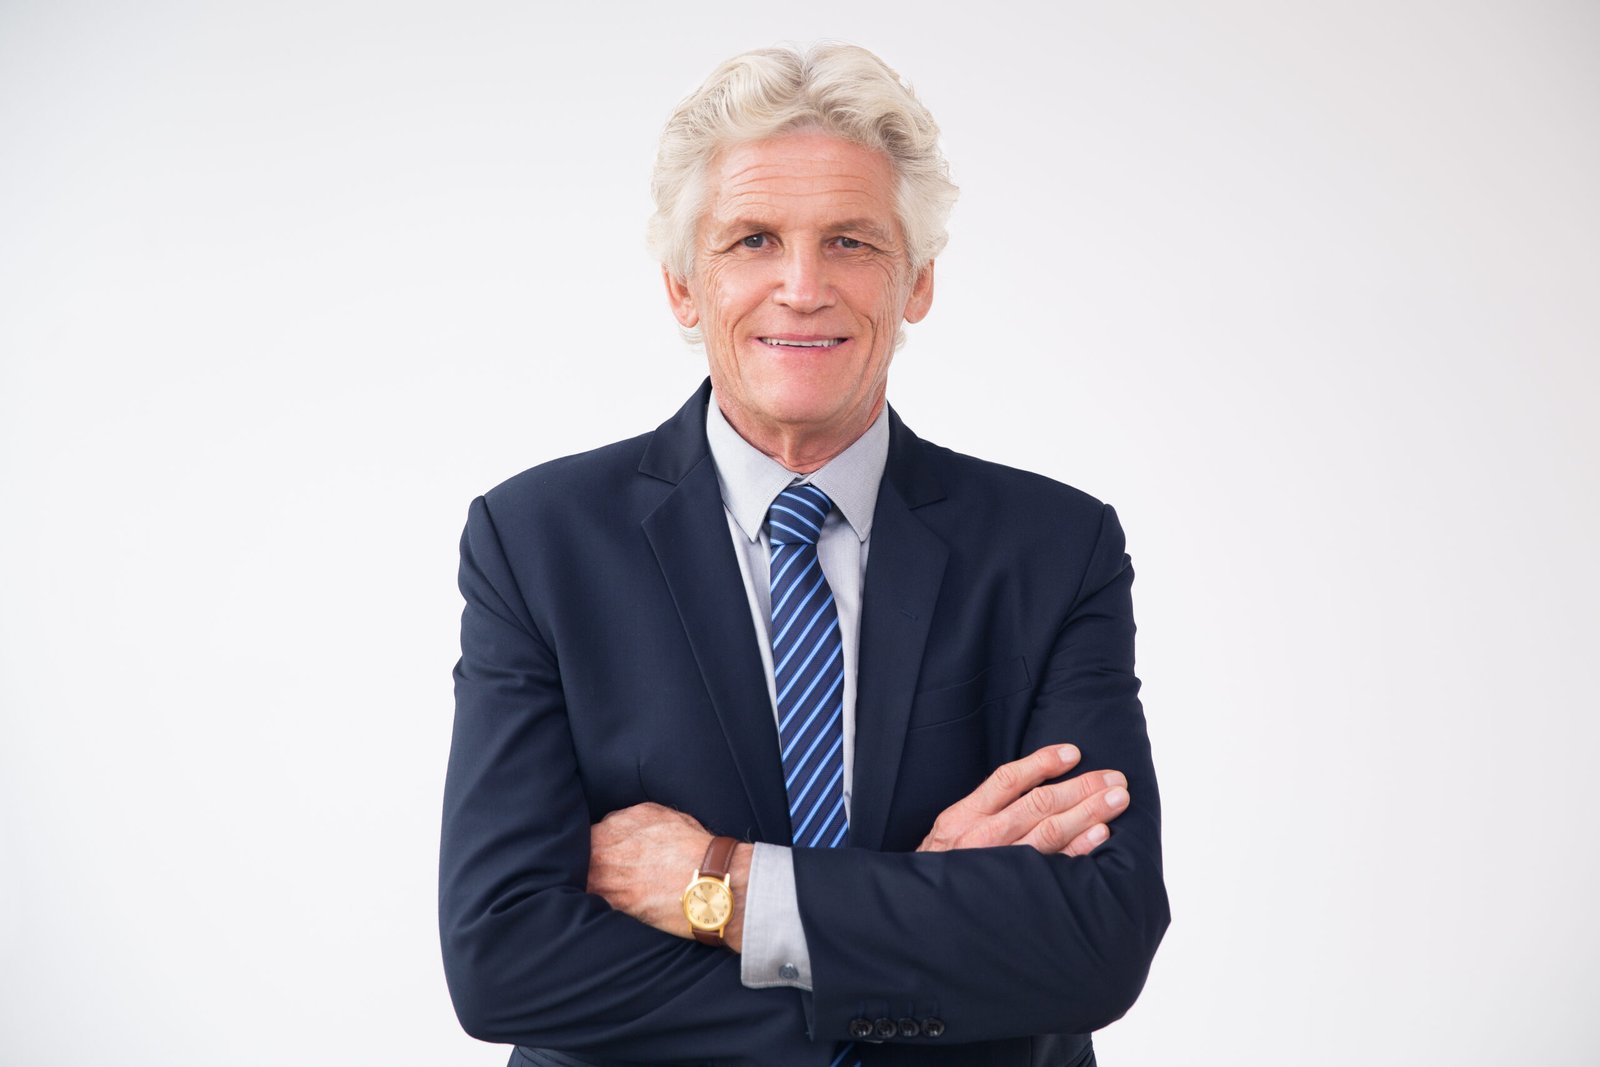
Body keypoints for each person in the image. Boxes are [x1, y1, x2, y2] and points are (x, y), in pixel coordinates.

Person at [440, 42, 1168, 1067]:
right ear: (684, 287)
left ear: (915, 283)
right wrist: (922, 928)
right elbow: (504, 958)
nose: (801, 286)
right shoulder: (539, 540)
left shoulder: (1053, 546)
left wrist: (723, 884)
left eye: (851, 242)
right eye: (751, 239)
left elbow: (1097, 936)